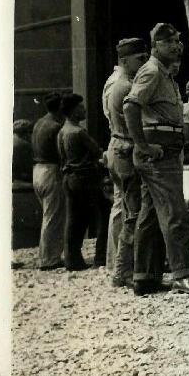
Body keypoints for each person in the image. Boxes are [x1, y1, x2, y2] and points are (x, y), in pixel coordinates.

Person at [123, 23, 189, 293]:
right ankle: (183, 274)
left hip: (164, 147)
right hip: (158, 150)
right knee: (175, 213)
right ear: (155, 46)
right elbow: (130, 106)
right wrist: (143, 145)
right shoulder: (151, 72)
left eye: (177, 41)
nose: (177, 46)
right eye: (169, 42)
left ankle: (145, 277)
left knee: (150, 216)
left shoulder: (163, 73)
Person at [102, 37, 163, 289]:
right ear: (125, 60)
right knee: (134, 214)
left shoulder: (114, 82)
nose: (143, 64)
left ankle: (121, 267)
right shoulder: (127, 86)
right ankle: (122, 271)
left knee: (125, 210)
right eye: (140, 59)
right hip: (127, 149)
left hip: (117, 147)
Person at [55, 94, 105, 271]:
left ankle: (72, 260)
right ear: (74, 111)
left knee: (74, 220)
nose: (84, 109)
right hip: (85, 179)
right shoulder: (78, 132)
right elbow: (98, 152)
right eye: (81, 107)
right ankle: (101, 256)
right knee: (103, 214)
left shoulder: (62, 131)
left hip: (69, 179)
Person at [31, 92, 67, 270]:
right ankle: (49, 259)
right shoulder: (56, 126)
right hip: (51, 170)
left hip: (37, 170)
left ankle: (46, 255)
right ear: (61, 106)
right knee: (53, 216)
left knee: (48, 215)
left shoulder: (40, 122)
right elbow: (62, 153)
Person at [13, 119, 34, 185]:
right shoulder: (24, 145)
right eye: (30, 132)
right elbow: (28, 168)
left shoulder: (9, 140)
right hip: (20, 179)